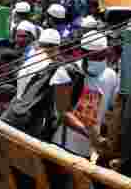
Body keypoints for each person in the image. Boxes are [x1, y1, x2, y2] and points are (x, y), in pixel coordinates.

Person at [50, 32, 118, 160]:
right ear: (82, 53)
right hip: (63, 146)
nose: (98, 60)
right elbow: (63, 112)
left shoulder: (111, 76)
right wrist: (90, 134)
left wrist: (105, 138)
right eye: (94, 56)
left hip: (89, 150)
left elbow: (110, 111)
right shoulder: (66, 72)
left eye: (102, 55)